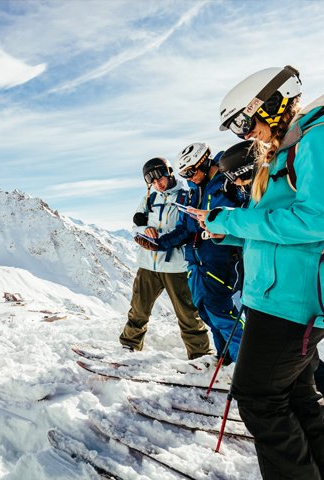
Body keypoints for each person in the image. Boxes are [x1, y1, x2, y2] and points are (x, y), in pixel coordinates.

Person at [201, 65, 324, 479]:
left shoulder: (316, 138)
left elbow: (315, 220)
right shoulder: (289, 148)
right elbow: (270, 229)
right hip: (278, 295)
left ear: (272, 105)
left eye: (244, 122)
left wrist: (231, 223)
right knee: (297, 396)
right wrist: (222, 231)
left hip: (292, 301)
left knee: (257, 396)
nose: (245, 134)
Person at [148, 143, 244, 365]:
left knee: (223, 314)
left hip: (220, 260)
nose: (189, 178)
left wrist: (212, 222)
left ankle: (244, 366)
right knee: (208, 314)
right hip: (195, 262)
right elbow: (184, 230)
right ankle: (226, 359)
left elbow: (235, 220)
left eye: (191, 171)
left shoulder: (226, 186)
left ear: (205, 162)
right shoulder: (193, 193)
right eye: (184, 174)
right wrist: (159, 243)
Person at [120, 157, 211, 359]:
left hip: (176, 266)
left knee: (188, 315)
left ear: (169, 173)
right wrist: (146, 230)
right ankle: (129, 346)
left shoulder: (186, 196)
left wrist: (161, 240)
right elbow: (136, 226)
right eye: (152, 182)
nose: (158, 184)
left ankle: (200, 355)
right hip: (148, 265)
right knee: (138, 311)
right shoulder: (150, 199)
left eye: (160, 178)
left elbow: (188, 229)